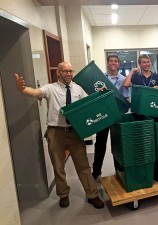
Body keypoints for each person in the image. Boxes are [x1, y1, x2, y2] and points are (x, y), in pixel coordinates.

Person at [14, 62, 104, 209]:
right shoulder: (51, 88)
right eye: (65, 71)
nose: (68, 74)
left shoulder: (78, 89)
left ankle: (92, 195)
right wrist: (23, 89)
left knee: (83, 166)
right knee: (58, 167)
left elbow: (89, 103)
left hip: (75, 132)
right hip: (56, 132)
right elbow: (36, 92)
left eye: (70, 71)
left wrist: (100, 92)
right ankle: (63, 195)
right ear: (58, 73)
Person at [92, 54, 129, 180]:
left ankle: (119, 170)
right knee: (100, 143)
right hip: (103, 115)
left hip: (116, 115)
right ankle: (96, 171)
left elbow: (125, 98)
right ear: (107, 63)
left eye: (115, 61)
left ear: (119, 64)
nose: (113, 63)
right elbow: (94, 96)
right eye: (110, 61)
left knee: (118, 143)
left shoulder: (124, 79)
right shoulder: (100, 78)